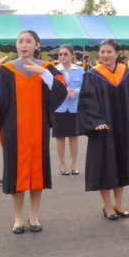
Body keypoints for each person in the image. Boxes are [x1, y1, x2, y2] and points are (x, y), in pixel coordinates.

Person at [0, 30, 68, 234]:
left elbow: (61, 90)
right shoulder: (6, 70)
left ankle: (34, 216)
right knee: (16, 174)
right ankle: (18, 218)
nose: (23, 45)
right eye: (20, 41)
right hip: (14, 130)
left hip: (38, 130)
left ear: (37, 45)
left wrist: (44, 73)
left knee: (37, 173)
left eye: (28, 41)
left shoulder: (47, 68)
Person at [77, 39, 129, 220]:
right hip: (103, 129)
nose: (105, 55)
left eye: (109, 52)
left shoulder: (126, 73)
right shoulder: (92, 75)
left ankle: (119, 204)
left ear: (117, 54)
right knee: (105, 167)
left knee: (121, 164)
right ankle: (107, 205)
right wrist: (96, 121)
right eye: (102, 52)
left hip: (122, 127)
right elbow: (87, 102)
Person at [53, 45, 83, 176]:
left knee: (73, 137)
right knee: (60, 137)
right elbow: (50, 88)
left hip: (74, 108)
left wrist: (75, 91)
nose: (62, 56)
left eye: (65, 54)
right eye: (60, 54)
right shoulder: (54, 70)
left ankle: (74, 163)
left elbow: (85, 86)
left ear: (72, 56)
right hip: (59, 108)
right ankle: (62, 163)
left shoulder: (80, 70)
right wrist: (62, 92)